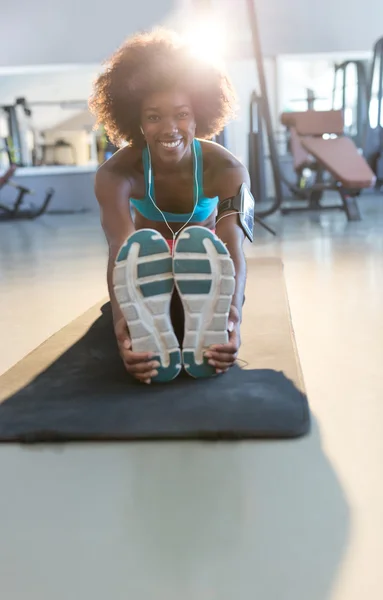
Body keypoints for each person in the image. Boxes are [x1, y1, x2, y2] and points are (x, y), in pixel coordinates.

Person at [90, 28, 254, 385]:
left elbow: (232, 247)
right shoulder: (117, 173)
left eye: (181, 114)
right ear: (137, 121)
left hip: (203, 263)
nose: (170, 128)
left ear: (199, 117)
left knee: (207, 259)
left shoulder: (226, 169)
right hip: (148, 270)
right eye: (153, 117)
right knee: (142, 259)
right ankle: (150, 322)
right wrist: (122, 324)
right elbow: (120, 251)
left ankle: (201, 316)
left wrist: (234, 318)